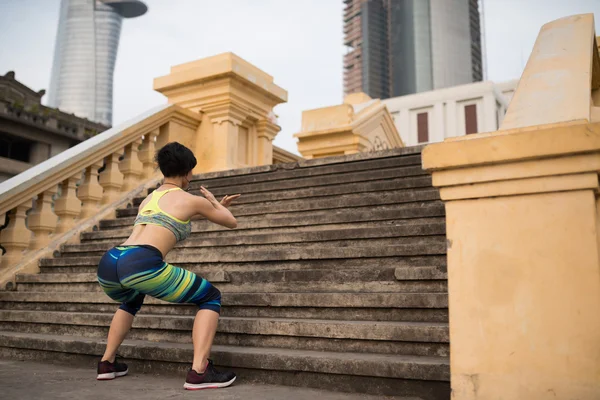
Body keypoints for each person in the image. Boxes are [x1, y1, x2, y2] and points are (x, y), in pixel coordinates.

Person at [96, 142, 240, 390]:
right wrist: (214, 203)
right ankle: (199, 371)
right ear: (187, 172)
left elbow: (173, 216)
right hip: (140, 263)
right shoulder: (191, 199)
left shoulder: (149, 199)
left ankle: (107, 363)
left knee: (132, 298)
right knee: (211, 297)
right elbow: (231, 222)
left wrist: (209, 209)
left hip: (112, 262)